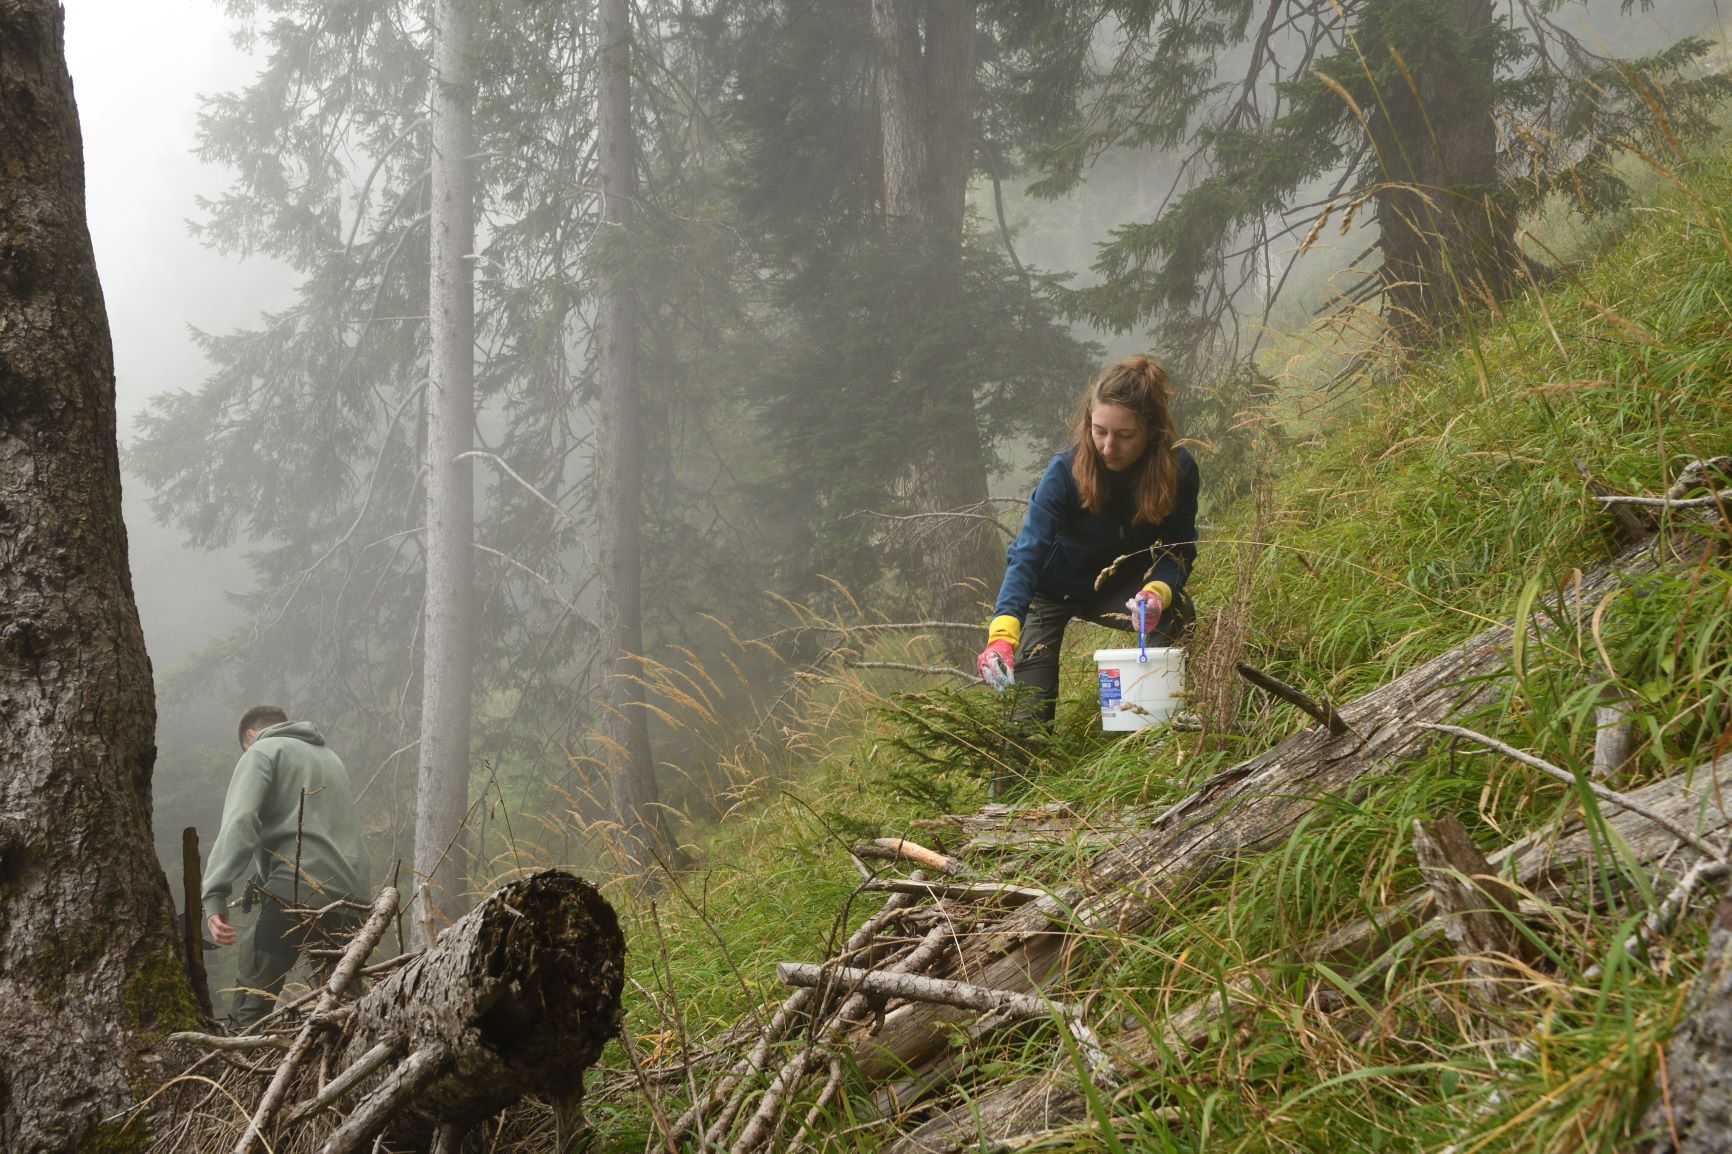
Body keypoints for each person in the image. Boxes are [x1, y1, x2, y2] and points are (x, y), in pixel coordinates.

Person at [978, 355, 1199, 739]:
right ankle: (1019, 774)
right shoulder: (1065, 471)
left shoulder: (1177, 470)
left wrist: (1157, 591)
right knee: (1028, 715)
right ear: (1088, 423)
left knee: (1177, 612)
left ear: (1152, 431)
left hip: (1118, 586)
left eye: (1124, 435)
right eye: (1100, 431)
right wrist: (1002, 632)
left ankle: (1162, 735)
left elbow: (1178, 549)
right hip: (1050, 590)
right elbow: (1028, 551)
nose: (1108, 447)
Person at [202, 705, 371, 1027]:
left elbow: (241, 821)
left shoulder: (261, 750)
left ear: (251, 734)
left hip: (298, 886)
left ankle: (245, 1054)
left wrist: (214, 893)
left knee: (253, 1001)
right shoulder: (330, 758)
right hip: (353, 893)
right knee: (343, 1008)